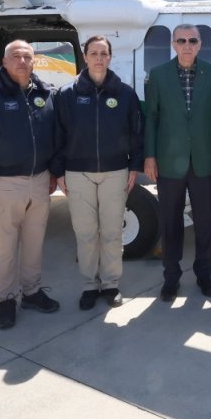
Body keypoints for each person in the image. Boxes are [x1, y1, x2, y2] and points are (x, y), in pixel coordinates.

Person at [0, 40, 61, 331]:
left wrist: (53, 172)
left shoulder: (45, 94)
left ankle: (31, 292)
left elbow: (54, 136)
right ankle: (6, 299)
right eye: (16, 56)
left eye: (27, 57)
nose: (22, 61)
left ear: (34, 62)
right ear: (5, 62)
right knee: (4, 247)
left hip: (40, 180)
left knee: (34, 242)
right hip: (5, 184)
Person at [53, 35, 143, 311]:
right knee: (86, 233)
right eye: (94, 53)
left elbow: (136, 133)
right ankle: (89, 285)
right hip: (77, 173)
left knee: (112, 232)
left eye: (104, 53)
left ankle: (111, 284)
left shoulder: (125, 94)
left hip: (115, 171)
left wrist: (134, 166)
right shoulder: (67, 94)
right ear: (85, 56)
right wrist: (58, 171)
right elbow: (57, 135)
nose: (99, 59)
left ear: (110, 57)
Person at [144, 24, 211, 302]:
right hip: (169, 162)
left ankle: (204, 275)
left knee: (206, 222)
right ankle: (171, 278)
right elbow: (152, 118)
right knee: (170, 223)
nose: (187, 45)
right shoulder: (158, 75)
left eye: (192, 40)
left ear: (200, 44)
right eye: (181, 40)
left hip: (204, 160)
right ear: (173, 44)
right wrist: (150, 156)